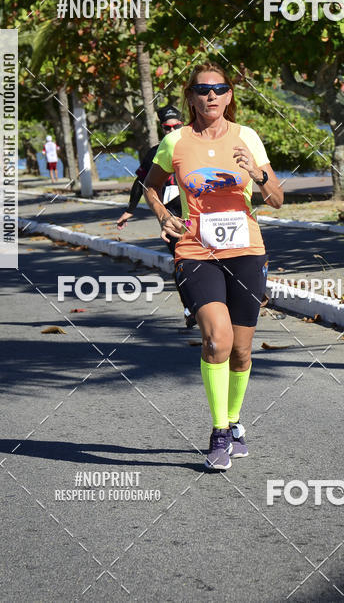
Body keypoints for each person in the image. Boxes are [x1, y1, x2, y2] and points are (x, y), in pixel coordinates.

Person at [143, 62, 283, 471]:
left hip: (246, 250)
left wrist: (255, 172)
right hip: (194, 250)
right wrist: (161, 214)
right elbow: (151, 185)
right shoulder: (176, 143)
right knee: (217, 340)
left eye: (219, 89)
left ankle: (236, 422)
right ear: (190, 96)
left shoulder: (248, 137)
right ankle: (219, 431)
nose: (211, 96)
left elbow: (276, 199)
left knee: (241, 351)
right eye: (203, 90)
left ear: (230, 96)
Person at [116, 105, 195, 325]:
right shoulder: (155, 152)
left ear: (183, 123)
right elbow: (141, 182)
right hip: (171, 216)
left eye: (176, 126)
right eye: (166, 128)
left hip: (196, 215)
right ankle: (190, 308)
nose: (171, 131)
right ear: (161, 128)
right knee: (181, 260)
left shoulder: (196, 147)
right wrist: (130, 210)